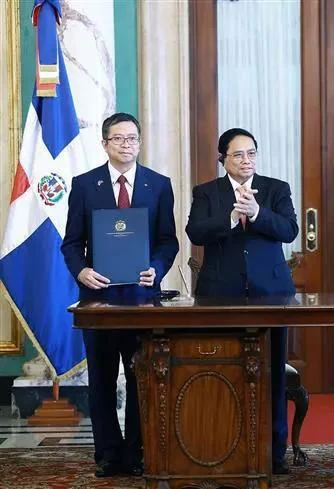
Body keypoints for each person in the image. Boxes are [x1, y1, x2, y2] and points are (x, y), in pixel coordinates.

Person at [61, 112, 179, 477]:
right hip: (98, 301)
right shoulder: (84, 185)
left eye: (133, 139)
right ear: (104, 143)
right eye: (119, 139)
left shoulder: (158, 185)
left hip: (143, 300)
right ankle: (108, 455)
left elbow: (167, 241)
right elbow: (71, 244)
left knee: (142, 376)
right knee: (101, 378)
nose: (127, 145)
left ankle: (138, 452)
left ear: (140, 143)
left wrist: (156, 268)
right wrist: (81, 270)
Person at [185, 127, 298, 475]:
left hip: (271, 294)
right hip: (221, 295)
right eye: (238, 155)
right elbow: (195, 232)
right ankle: (224, 447)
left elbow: (290, 230)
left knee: (273, 374)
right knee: (223, 374)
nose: (246, 160)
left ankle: (275, 454)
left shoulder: (276, 189)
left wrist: (259, 212)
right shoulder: (207, 193)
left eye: (252, 153)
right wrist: (232, 217)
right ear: (223, 159)